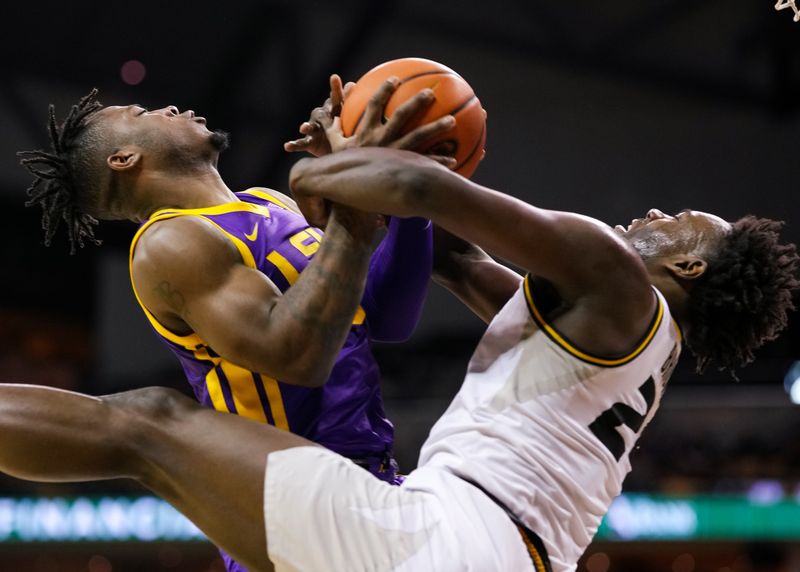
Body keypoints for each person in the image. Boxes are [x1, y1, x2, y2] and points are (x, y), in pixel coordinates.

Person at [6, 94, 798, 572]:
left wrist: (346, 172)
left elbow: (414, 196)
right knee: (146, 424)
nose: (654, 217)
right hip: (441, 529)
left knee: (148, 425)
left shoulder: (614, 277)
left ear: (689, 269)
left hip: (443, 535)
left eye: (677, 225)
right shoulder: (610, 341)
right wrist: (395, 159)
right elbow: (444, 256)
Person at [16, 78, 456, 572]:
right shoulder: (171, 243)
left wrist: (406, 202)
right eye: (144, 113)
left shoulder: (271, 204)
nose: (171, 105)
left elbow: (384, 317)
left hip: (370, 478)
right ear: (124, 158)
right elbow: (295, 356)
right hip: (289, 500)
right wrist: (351, 212)